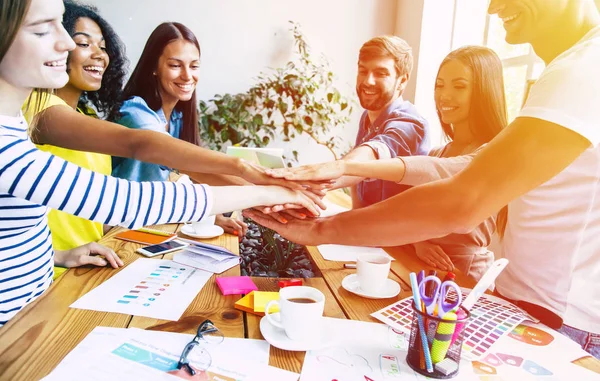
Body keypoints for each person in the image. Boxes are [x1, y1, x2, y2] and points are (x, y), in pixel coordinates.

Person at [246, 0, 600, 358]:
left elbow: (461, 196)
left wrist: (321, 223)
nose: (493, 7)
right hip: (524, 306)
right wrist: (341, 172)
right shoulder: (566, 72)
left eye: (459, 86)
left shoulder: (584, 69)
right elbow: (449, 169)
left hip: (563, 321)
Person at [0, 0, 320, 326]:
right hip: (18, 330)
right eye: (43, 29)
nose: (67, 44)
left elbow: (15, 231)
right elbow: (126, 193)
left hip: (45, 298)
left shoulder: (17, 126)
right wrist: (263, 188)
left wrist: (54, 255)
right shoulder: (18, 135)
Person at [267, 46, 507, 280]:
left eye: (460, 86)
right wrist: (418, 240)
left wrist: (341, 169)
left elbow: (424, 172)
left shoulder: (489, 154)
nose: (444, 95)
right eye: (440, 85)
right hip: (421, 270)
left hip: (465, 278)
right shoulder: (438, 152)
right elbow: (416, 211)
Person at [110, 21, 250, 237]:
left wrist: (211, 217)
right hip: (117, 229)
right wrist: (260, 190)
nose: (187, 76)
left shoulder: (178, 117)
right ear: (154, 68)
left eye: (194, 66)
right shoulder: (134, 113)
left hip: (149, 223)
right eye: (175, 65)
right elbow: (191, 166)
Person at [332, 36, 430, 209]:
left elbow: (366, 159)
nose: (368, 81)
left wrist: (312, 180)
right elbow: (357, 178)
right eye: (363, 71)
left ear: (402, 81)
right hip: (364, 227)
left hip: (396, 233)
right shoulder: (368, 117)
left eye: (380, 73)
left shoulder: (411, 124)